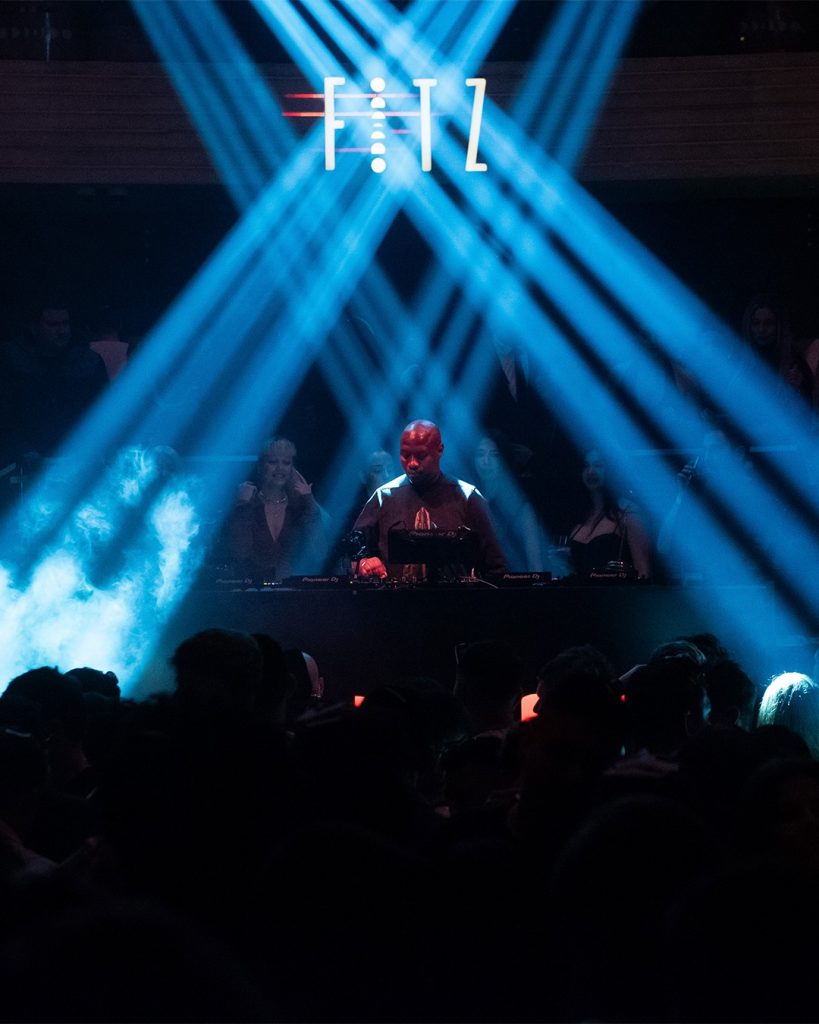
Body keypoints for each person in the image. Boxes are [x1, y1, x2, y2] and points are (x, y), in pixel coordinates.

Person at [353, 419, 506, 580]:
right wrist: (363, 563)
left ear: (439, 450)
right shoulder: (384, 496)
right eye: (405, 455)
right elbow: (353, 550)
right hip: (396, 596)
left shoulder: (468, 497)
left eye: (420, 456)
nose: (412, 463)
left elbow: (496, 566)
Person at [0, 296, 108, 468]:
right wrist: (22, 451)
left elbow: (102, 410)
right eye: (53, 325)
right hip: (24, 461)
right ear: (34, 327)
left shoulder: (88, 361)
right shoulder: (13, 360)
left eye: (65, 324)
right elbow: (6, 412)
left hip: (77, 458)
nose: (61, 331)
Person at [223, 436, 329, 582]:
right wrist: (242, 508)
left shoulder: (299, 507)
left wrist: (309, 503)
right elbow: (240, 552)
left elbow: (320, 554)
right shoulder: (248, 504)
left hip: (294, 589)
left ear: (292, 469)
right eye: (273, 462)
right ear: (261, 466)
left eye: (286, 463)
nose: (280, 468)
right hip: (250, 590)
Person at [566, 448, 651, 579]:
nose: (590, 471)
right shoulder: (581, 513)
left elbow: (643, 570)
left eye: (598, 465)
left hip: (617, 591)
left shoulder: (628, 512)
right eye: (586, 466)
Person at [472, 432, 547, 571]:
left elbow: (535, 565)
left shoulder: (520, 508)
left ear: (504, 459)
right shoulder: (470, 500)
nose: (486, 461)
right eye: (480, 454)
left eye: (494, 455)